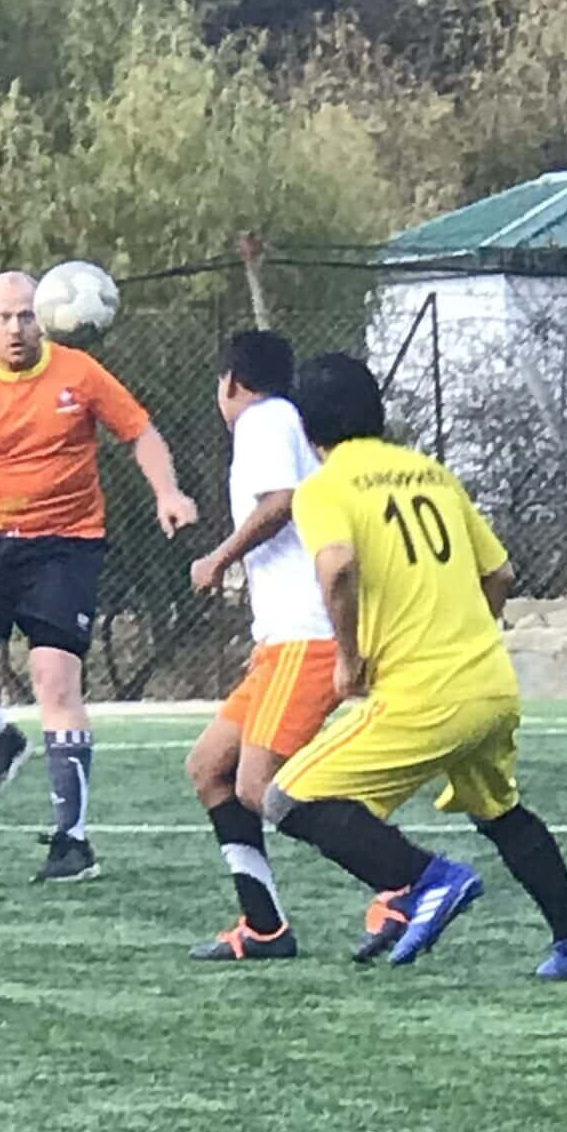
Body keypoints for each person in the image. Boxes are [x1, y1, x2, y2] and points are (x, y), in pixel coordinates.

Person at [263, 352, 567, 980]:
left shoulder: (324, 488)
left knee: (289, 797)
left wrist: (348, 658)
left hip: (423, 693)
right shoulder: (431, 473)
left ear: (307, 429)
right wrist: (467, 636)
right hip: (489, 682)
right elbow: (499, 573)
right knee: (502, 813)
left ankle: (427, 879)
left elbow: (337, 565)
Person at [0, 269, 198, 884]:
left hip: (68, 547)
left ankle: (73, 842)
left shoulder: (79, 373)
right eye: (3, 317)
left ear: (48, 317)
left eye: (27, 314)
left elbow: (141, 433)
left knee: (54, 680)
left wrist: (168, 491)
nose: (15, 327)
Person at [183, 329, 340, 961]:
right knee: (209, 769)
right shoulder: (288, 420)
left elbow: (282, 501)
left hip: (307, 633)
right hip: (283, 637)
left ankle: (405, 878)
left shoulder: (263, 420)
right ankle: (264, 924)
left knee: (259, 787)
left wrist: (219, 557)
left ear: (229, 382)